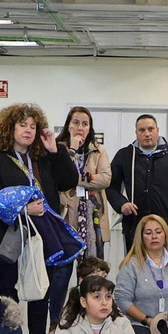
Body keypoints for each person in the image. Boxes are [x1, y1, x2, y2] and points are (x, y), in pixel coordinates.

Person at [0, 102, 76, 334]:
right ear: (9, 128)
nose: (29, 130)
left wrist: (56, 151)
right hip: (11, 240)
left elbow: (68, 182)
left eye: (33, 126)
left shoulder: (43, 159)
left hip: (42, 239)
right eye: (23, 125)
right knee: (9, 298)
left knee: (40, 293)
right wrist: (23, 211)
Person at [107, 114, 168, 245]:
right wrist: (121, 204)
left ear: (157, 130)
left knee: (161, 264)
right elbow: (111, 186)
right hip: (134, 225)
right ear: (136, 133)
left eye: (150, 129)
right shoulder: (125, 155)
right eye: (142, 130)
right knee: (134, 264)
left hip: (162, 225)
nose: (147, 134)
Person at [113, 214, 168, 334]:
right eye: (148, 233)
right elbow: (122, 300)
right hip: (141, 325)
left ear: (166, 235)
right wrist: (148, 320)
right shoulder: (130, 265)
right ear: (141, 237)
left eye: (158, 232)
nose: (154, 236)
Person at [57, 105, 111, 261]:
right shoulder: (59, 149)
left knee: (92, 263)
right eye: (75, 123)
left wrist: (75, 178)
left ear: (90, 128)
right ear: (68, 126)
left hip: (93, 211)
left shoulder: (98, 150)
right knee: (64, 265)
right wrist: (73, 148)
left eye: (85, 124)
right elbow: (59, 177)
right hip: (66, 210)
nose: (80, 128)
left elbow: (105, 179)